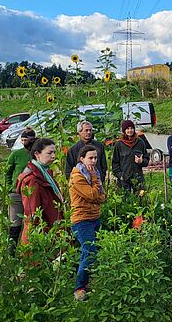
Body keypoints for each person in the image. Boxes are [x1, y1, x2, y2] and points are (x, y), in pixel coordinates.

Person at [69, 144, 106, 301]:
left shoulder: (94, 173)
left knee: (89, 251)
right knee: (89, 251)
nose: (93, 161)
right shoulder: (77, 176)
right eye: (90, 158)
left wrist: (97, 193)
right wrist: (96, 187)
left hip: (94, 217)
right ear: (82, 158)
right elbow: (92, 195)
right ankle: (79, 287)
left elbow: (102, 197)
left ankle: (85, 282)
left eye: (95, 158)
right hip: (81, 219)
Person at [17, 138, 64, 245]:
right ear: (37, 154)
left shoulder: (45, 173)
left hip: (52, 228)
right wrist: (37, 240)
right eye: (49, 153)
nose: (54, 156)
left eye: (54, 152)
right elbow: (32, 213)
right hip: (42, 234)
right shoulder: (32, 179)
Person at [5, 128, 36, 254]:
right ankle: (11, 253)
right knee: (15, 224)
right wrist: (10, 187)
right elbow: (8, 171)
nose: (24, 142)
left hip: (32, 193)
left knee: (32, 222)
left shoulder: (38, 154)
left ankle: (29, 253)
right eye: (22, 140)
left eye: (26, 140)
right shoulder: (16, 154)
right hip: (16, 193)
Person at [112, 120, 149, 194]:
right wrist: (120, 175)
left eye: (131, 128)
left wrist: (141, 161)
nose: (130, 130)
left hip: (138, 177)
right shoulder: (119, 144)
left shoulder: (140, 142)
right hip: (124, 178)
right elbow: (115, 163)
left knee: (140, 200)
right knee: (125, 200)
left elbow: (146, 159)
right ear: (124, 130)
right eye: (127, 128)